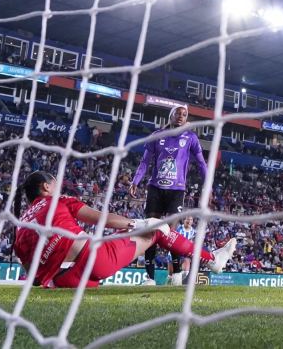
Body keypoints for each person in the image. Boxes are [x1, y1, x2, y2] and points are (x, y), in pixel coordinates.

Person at [12, 171, 235, 288]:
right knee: (156, 228)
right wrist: (137, 223)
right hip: (93, 260)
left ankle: (199, 264)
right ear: (46, 187)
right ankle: (212, 260)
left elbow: (33, 274)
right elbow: (101, 219)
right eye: (55, 181)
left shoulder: (21, 225)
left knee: (121, 237)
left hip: (65, 281)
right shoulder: (58, 200)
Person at [130, 105, 208, 285]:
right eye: (177, 113)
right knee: (151, 232)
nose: (181, 116)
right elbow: (145, 162)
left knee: (171, 233)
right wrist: (136, 180)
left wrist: (208, 185)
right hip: (155, 188)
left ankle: (176, 274)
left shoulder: (191, 138)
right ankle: (149, 277)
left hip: (176, 191)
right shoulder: (157, 135)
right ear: (170, 115)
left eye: (184, 114)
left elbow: (202, 163)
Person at [169, 216, 197, 285]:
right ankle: (170, 284)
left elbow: (191, 241)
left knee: (185, 272)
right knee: (171, 275)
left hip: (185, 254)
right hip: (174, 252)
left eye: (191, 220)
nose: (189, 221)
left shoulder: (193, 231)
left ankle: (176, 282)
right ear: (184, 220)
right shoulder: (178, 228)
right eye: (188, 219)